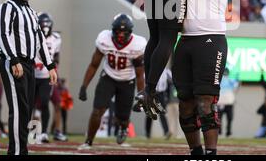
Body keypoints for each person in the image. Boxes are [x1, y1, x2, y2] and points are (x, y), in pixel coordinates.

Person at [170, 0, 237, 155]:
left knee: (205, 102)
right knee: (185, 104)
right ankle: (195, 152)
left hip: (210, 38)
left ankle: (211, 154)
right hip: (185, 39)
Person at [0, 0, 57, 155]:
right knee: (18, 109)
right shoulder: (6, 8)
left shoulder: (31, 12)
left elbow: (40, 40)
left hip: (29, 64)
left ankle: (22, 150)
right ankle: (16, 152)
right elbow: (2, 35)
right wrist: (13, 59)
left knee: (26, 110)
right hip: (13, 61)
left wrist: (50, 65)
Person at [78, 14, 146, 149]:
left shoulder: (138, 45)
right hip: (108, 77)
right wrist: (84, 86)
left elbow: (139, 74)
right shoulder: (104, 39)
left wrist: (141, 96)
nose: (120, 35)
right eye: (118, 31)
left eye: (123, 32)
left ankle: (123, 128)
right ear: (112, 31)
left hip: (128, 81)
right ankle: (88, 141)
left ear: (130, 32)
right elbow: (94, 64)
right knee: (97, 110)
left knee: (122, 118)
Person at [33, 12, 66, 142]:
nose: (45, 28)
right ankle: (31, 132)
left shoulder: (56, 38)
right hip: (33, 75)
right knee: (30, 105)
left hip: (46, 76)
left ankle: (44, 132)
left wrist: (54, 68)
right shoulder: (33, 37)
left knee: (45, 101)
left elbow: (56, 55)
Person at [145, 68, 170, 139]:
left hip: (161, 94)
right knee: (150, 113)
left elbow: (170, 83)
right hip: (152, 94)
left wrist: (167, 97)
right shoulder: (150, 69)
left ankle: (166, 132)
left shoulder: (166, 71)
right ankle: (147, 133)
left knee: (162, 112)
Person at [217, 67, 239, 137]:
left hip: (221, 102)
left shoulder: (219, 80)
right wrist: (237, 79)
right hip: (228, 102)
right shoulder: (230, 80)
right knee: (229, 118)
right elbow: (236, 86)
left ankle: (220, 132)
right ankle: (228, 132)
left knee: (220, 118)